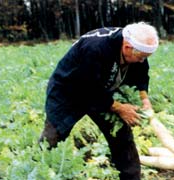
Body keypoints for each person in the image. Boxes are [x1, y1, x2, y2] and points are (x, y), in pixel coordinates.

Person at [39, 21, 159, 180]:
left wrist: (144, 99)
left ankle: (131, 177)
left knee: (121, 134)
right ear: (127, 47)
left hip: (103, 90)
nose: (142, 61)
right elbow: (87, 88)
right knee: (54, 135)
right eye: (141, 57)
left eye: (145, 58)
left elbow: (141, 74)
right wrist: (119, 107)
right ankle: (38, 170)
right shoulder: (95, 48)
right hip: (69, 91)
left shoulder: (137, 47)